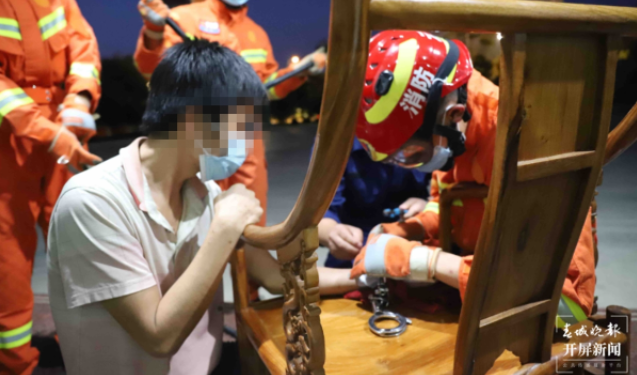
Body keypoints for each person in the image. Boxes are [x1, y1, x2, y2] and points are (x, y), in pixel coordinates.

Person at [47, 40, 353, 375]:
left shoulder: (205, 191)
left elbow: (274, 277)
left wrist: (367, 273)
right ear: (193, 118)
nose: (247, 142)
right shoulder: (93, 202)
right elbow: (159, 337)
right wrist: (224, 228)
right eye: (242, 125)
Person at [349, 30, 596, 328]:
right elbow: (446, 204)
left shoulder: (529, 144)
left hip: (532, 326)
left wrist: (426, 262)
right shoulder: (453, 134)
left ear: (454, 114)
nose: (412, 164)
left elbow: (567, 310)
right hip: (475, 294)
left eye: (413, 152)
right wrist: (408, 230)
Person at [133, 0, 327, 227]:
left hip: (246, 141)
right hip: (197, 138)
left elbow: (267, 89)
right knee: (193, 225)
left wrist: (299, 71)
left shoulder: (257, 34)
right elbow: (153, 70)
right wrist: (153, 32)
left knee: (250, 224)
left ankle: (248, 256)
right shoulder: (182, 19)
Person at [0, 0, 102, 372]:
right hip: (8, 150)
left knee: (81, 251)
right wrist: (51, 133)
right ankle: (15, 366)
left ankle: (90, 355)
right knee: (7, 264)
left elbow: (84, 48)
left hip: (64, 132)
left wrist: (80, 98)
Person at [317, 137, 429, 268]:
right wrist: (332, 233)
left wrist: (429, 206)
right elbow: (317, 214)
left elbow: (443, 192)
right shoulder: (335, 140)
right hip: (356, 247)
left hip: (414, 244)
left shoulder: (427, 137)